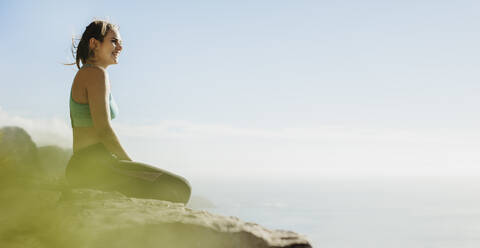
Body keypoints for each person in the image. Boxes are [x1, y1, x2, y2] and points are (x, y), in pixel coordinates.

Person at [65, 20, 191, 204]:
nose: (120, 48)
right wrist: (130, 164)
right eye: (114, 41)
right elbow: (103, 130)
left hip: (89, 165)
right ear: (94, 44)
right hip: (93, 166)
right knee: (180, 189)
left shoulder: (89, 73)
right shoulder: (95, 74)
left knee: (176, 187)